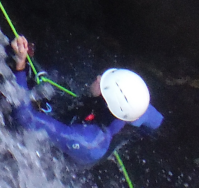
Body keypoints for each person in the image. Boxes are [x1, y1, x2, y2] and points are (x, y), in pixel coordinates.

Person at [9, 36, 164, 166]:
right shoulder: (136, 106)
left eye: (103, 83)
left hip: (76, 150)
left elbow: (24, 117)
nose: (98, 78)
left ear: (105, 101)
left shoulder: (86, 141)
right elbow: (157, 122)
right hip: (98, 125)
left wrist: (20, 64)